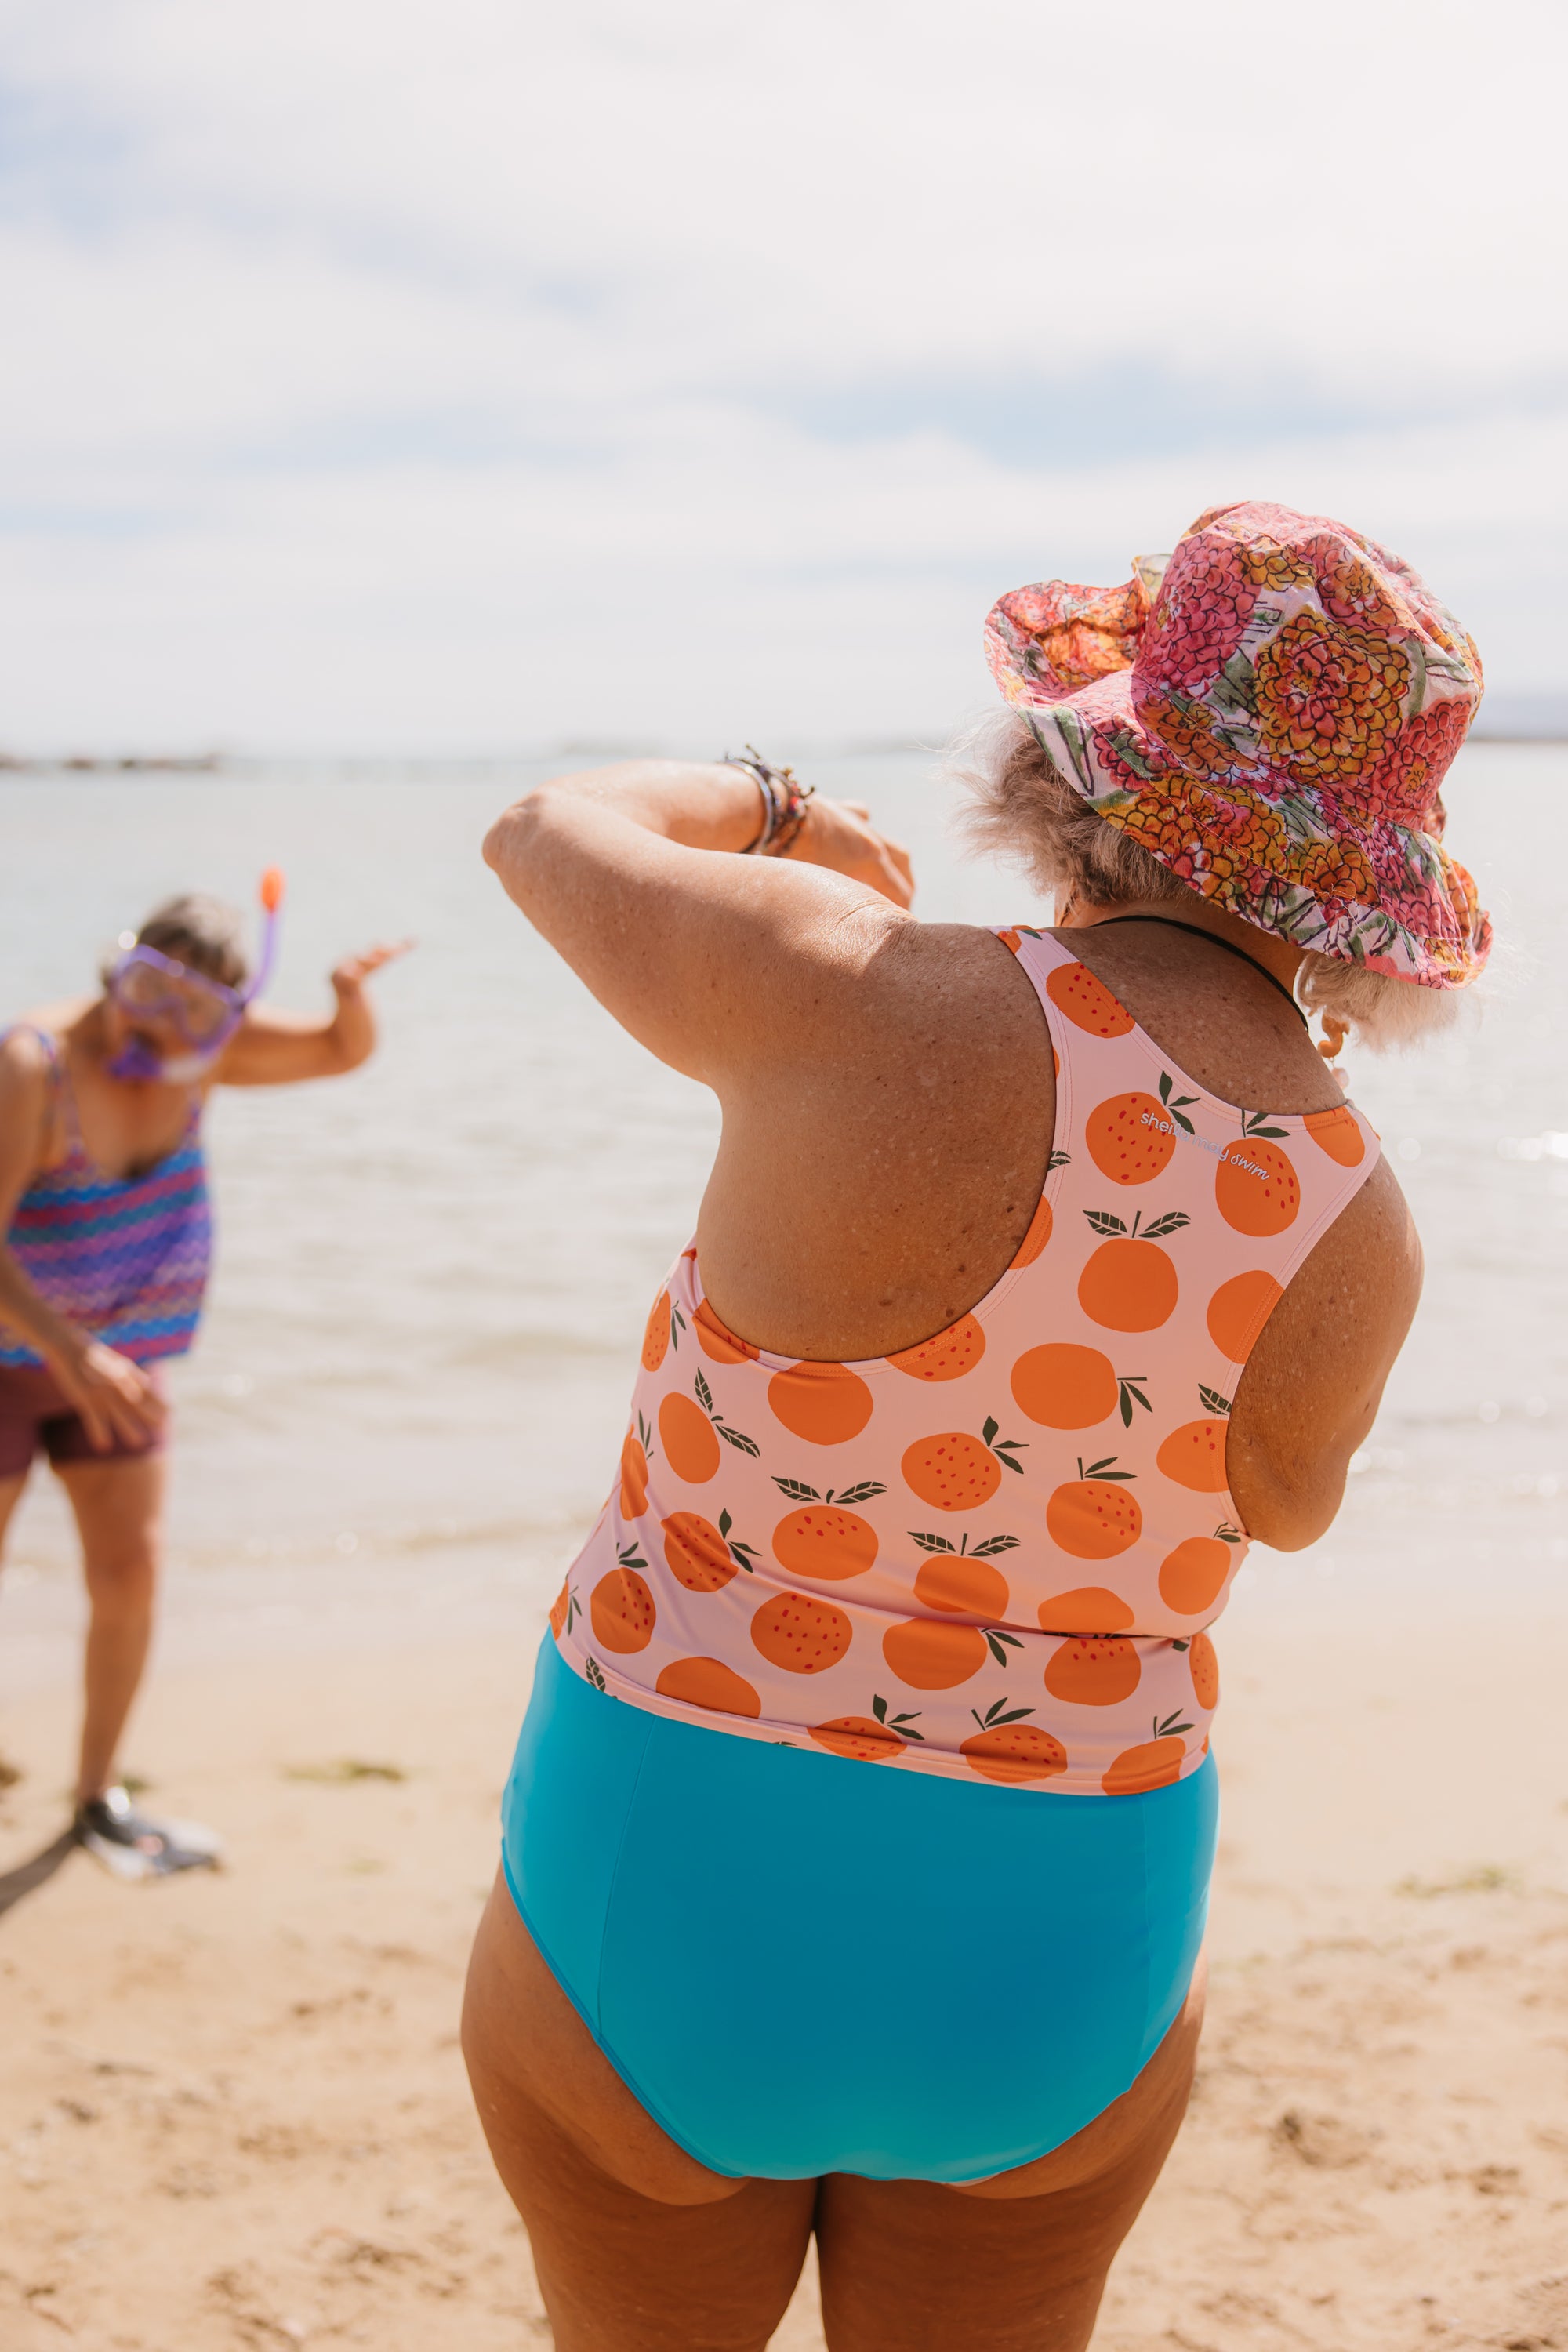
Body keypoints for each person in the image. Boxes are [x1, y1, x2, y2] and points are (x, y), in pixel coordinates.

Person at [462, 500, 1489, 2351]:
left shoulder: (841, 977)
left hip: (675, 1862)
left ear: (1076, 762)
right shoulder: (1358, 1219)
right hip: (1052, 1921)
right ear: (1361, 888)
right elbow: (1281, 1505)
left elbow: (540, 831)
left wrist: (783, 818)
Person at [0, 879, 409, 1878]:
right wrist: (68, 1350)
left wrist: (347, 996)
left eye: (195, 1009)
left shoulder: (205, 1054)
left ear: (228, 1016)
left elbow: (337, 1051)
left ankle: (96, 1798)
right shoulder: (32, 1063)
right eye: (147, 987)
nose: (159, 1022)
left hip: (120, 1366)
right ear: (118, 966)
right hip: (19, 1360)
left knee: (130, 1575)